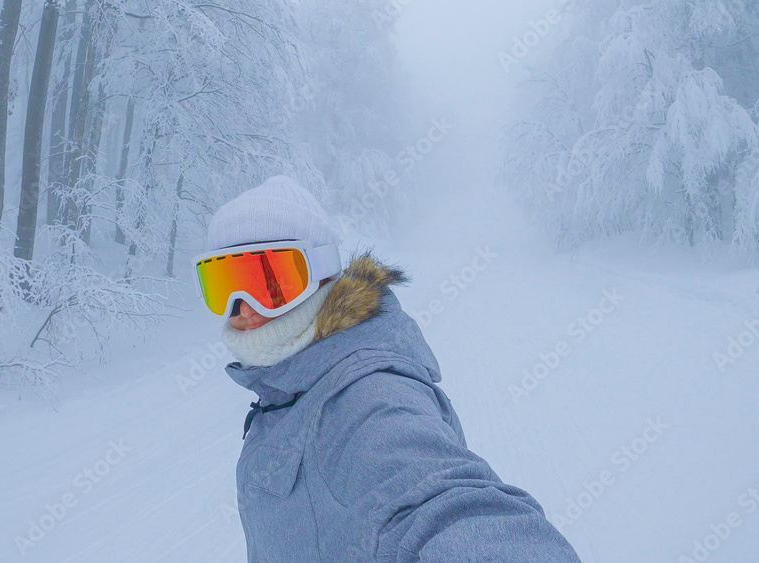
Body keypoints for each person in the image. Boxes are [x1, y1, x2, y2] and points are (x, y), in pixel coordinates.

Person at [192, 176, 581, 562]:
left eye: (270, 282)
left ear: (322, 273)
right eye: (223, 283)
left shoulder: (367, 399)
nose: (243, 308)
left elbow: (443, 509)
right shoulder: (289, 384)